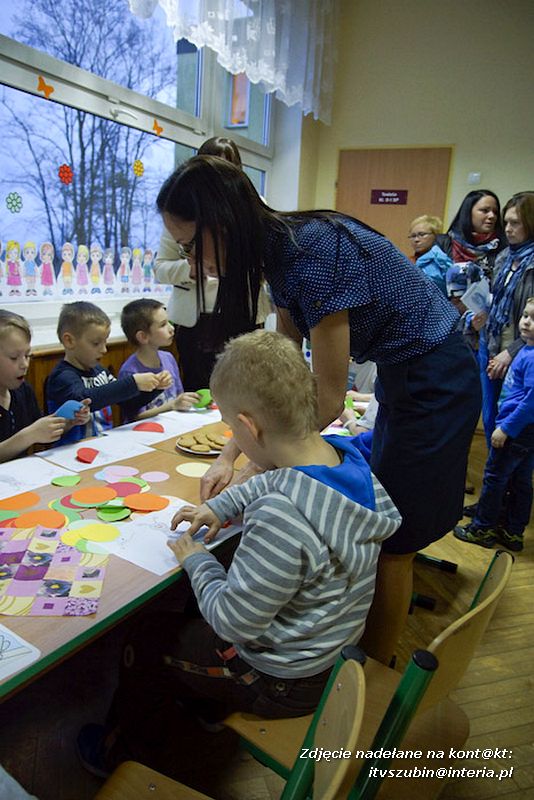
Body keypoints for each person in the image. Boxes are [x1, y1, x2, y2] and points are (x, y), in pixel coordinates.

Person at [154, 155, 481, 665]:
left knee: (395, 542)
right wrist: (228, 457)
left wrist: (257, 468)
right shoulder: (279, 253)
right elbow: (278, 381)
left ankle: (369, 682)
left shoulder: (311, 253)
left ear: (222, 223)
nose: (193, 263)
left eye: (192, 246)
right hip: (408, 370)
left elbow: (323, 399)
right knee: (382, 509)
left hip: (437, 375)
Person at [77, 330, 401, 774]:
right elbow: (277, 478)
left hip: (280, 680)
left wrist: (196, 558)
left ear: (248, 427)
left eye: (231, 427)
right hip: (328, 654)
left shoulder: (281, 516)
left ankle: (120, 753)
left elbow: (233, 621)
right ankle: (206, 704)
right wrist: (219, 506)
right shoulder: (341, 457)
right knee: (203, 595)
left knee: (144, 637)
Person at [153, 137, 243, 390]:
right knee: (197, 387)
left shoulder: (249, 205)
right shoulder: (180, 206)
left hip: (239, 314)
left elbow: (266, 267)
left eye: (227, 169)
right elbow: (160, 268)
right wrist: (191, 268)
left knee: (240, 387)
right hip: (193, 319)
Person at [455, 297, 534, 553]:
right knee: (521, 480)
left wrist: (506, 428)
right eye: (526, 316)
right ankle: (512, 531)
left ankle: (483, 528)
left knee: (495, 477)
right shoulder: (525, 350)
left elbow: (530, 402)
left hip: (517, 430)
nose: (527, 323)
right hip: (525, 432)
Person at [46, 301, 168, 445]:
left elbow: (127, 403)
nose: (104, 350)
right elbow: (83, 399)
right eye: (96, 343)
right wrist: (133, 383)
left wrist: (155, 389)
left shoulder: (100, 371)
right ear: (69, 341)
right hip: (70, 453)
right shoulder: (62, 377)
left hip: (103, 446)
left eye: (105, 342)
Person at [478, 192, 534, 443]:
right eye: (507, 222)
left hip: (520, 352)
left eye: (516, 223)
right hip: (490, 346)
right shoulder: (504, 256)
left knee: (512, 424)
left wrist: (511, 352)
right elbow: (494, 301)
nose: (508, 229)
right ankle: (496, 475)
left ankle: (506, 480)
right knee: (490, 417)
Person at [0, 310, 89, 461]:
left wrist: (67, 423)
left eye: (27, 355)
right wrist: (28, 436)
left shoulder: (23, 390)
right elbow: (30, 434)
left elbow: (38, 431)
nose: (24, 364)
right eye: (14, 358)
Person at [118, 299, 199, 422]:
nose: (171, 328)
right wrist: (172, 405)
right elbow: (134, 417)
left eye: (169, 322)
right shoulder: (129, 372)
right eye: (163, 325)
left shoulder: (168, 358)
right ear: (143, 336)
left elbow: (178, 397)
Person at [408, 214, 451, 295]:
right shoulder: (409, 261)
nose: (416, 240)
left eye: (422, 234)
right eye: (413, 236)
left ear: (436, 235)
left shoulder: (444, 262)